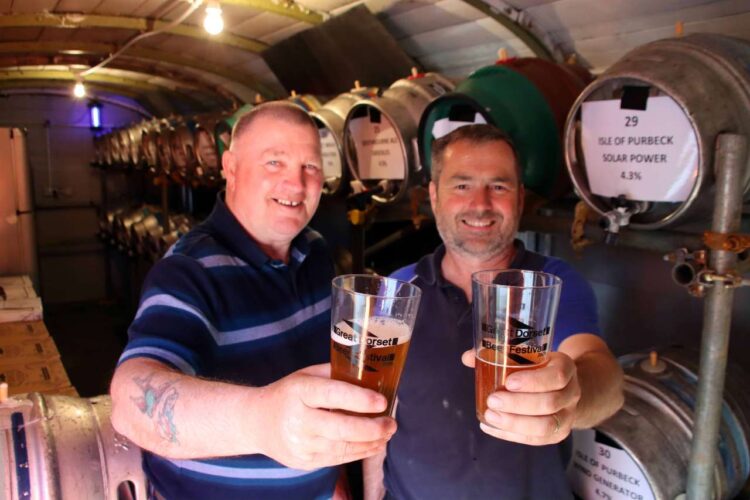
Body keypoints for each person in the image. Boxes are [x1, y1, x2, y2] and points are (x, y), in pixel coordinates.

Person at [110, 102, 397, 500]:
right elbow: (130, 403)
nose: (296, 185)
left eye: (310, 167)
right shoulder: (189, 272)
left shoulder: (314, 253)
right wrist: (263, 420)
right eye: (274, 162)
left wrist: (334, 483)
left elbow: (312, 387)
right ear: (230, 167)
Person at [363, 124, 624, 499]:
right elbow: (380, 411)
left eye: (498, 187)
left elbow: (603, 376)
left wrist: (574, 393)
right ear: (435, 196)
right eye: (462, 185)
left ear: (519, 198)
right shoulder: (397, 291)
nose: (481, 204)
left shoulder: (551, 282)